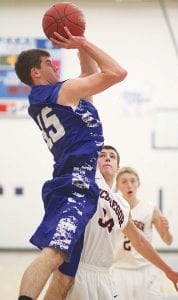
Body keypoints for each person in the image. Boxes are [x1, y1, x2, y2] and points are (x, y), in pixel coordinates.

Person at [14, 25, 127, 300]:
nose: (54, 66)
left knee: (65, 278)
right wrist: (84, 43)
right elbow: (117, 73)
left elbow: (89, 74)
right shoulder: (60, 93)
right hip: (73, 185)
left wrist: (79, 44)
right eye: (47, 63)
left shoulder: (65, 98)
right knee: (53, 253)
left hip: (79, 183)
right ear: (35, 73)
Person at [44, 146, 178, 300]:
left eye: (112, 156)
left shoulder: (125, 206)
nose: (107, 158)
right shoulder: (89, 187)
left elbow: (142, 241)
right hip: (97, 270)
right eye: (102, 155)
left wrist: (167, 265)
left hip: (117, 273)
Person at [113, 166, 173, 299]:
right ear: (117, 185)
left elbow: (168, 241)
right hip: (119, 270)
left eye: (132, 181)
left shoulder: (150, 208)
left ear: (138, 184)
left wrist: (166, 231)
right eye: (124, 181)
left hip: (146, 270)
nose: (129, 185)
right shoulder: (112, 207)